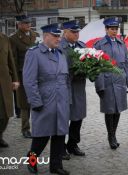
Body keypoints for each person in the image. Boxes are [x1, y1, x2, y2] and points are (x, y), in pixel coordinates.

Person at [23, 23, 70, 175]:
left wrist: (67, 99)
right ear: (46, 36)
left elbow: (65, 78)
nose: (59, 38)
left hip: (61, 100)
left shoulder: (61, 53)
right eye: (55, 36)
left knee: (59, 135)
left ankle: (56, 166)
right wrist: (35, 101)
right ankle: (31, 161)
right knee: (41, 136)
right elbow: (29, 80)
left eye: (59, 36)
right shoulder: (34, 53)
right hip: (45, 100)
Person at [94, 17, 128, 150]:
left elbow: (126, 64)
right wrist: (99, 85)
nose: (114, 31)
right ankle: (110, 136)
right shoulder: (99, 44)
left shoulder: (121, 44)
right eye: (112, 29)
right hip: (107, 81)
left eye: (116, 29)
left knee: (118, 110)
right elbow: (96, 66)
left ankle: (114, 135)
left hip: (119, 81)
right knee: (109, 110)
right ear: (106, 29)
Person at [59, 20, 86, 158]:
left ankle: (73, 144)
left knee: (78, 117)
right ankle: (60, 147)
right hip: (64, 87)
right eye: (73, 32)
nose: (76, 34)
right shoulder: (59, 46)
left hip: (79, 87)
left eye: (78, 32)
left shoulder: (82, 46)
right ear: (65, 32)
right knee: (63, 118)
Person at [10, 15, 38, 138]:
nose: (28, 25)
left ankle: (39, 126)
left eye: (29, 23)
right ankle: (25, 128)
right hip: (22, 74)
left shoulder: (34, 35)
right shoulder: (14, 39)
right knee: (25, 103)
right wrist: (15, 78)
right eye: (25, 23)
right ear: (19, 24)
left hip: (36, 73)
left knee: (37, 100)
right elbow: (13, 60)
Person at [0, 32, 19, 148]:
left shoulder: (5, 38)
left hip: (4, 81)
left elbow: (10, 59)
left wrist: (15, 79)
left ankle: (0, 135)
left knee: (5, 113)